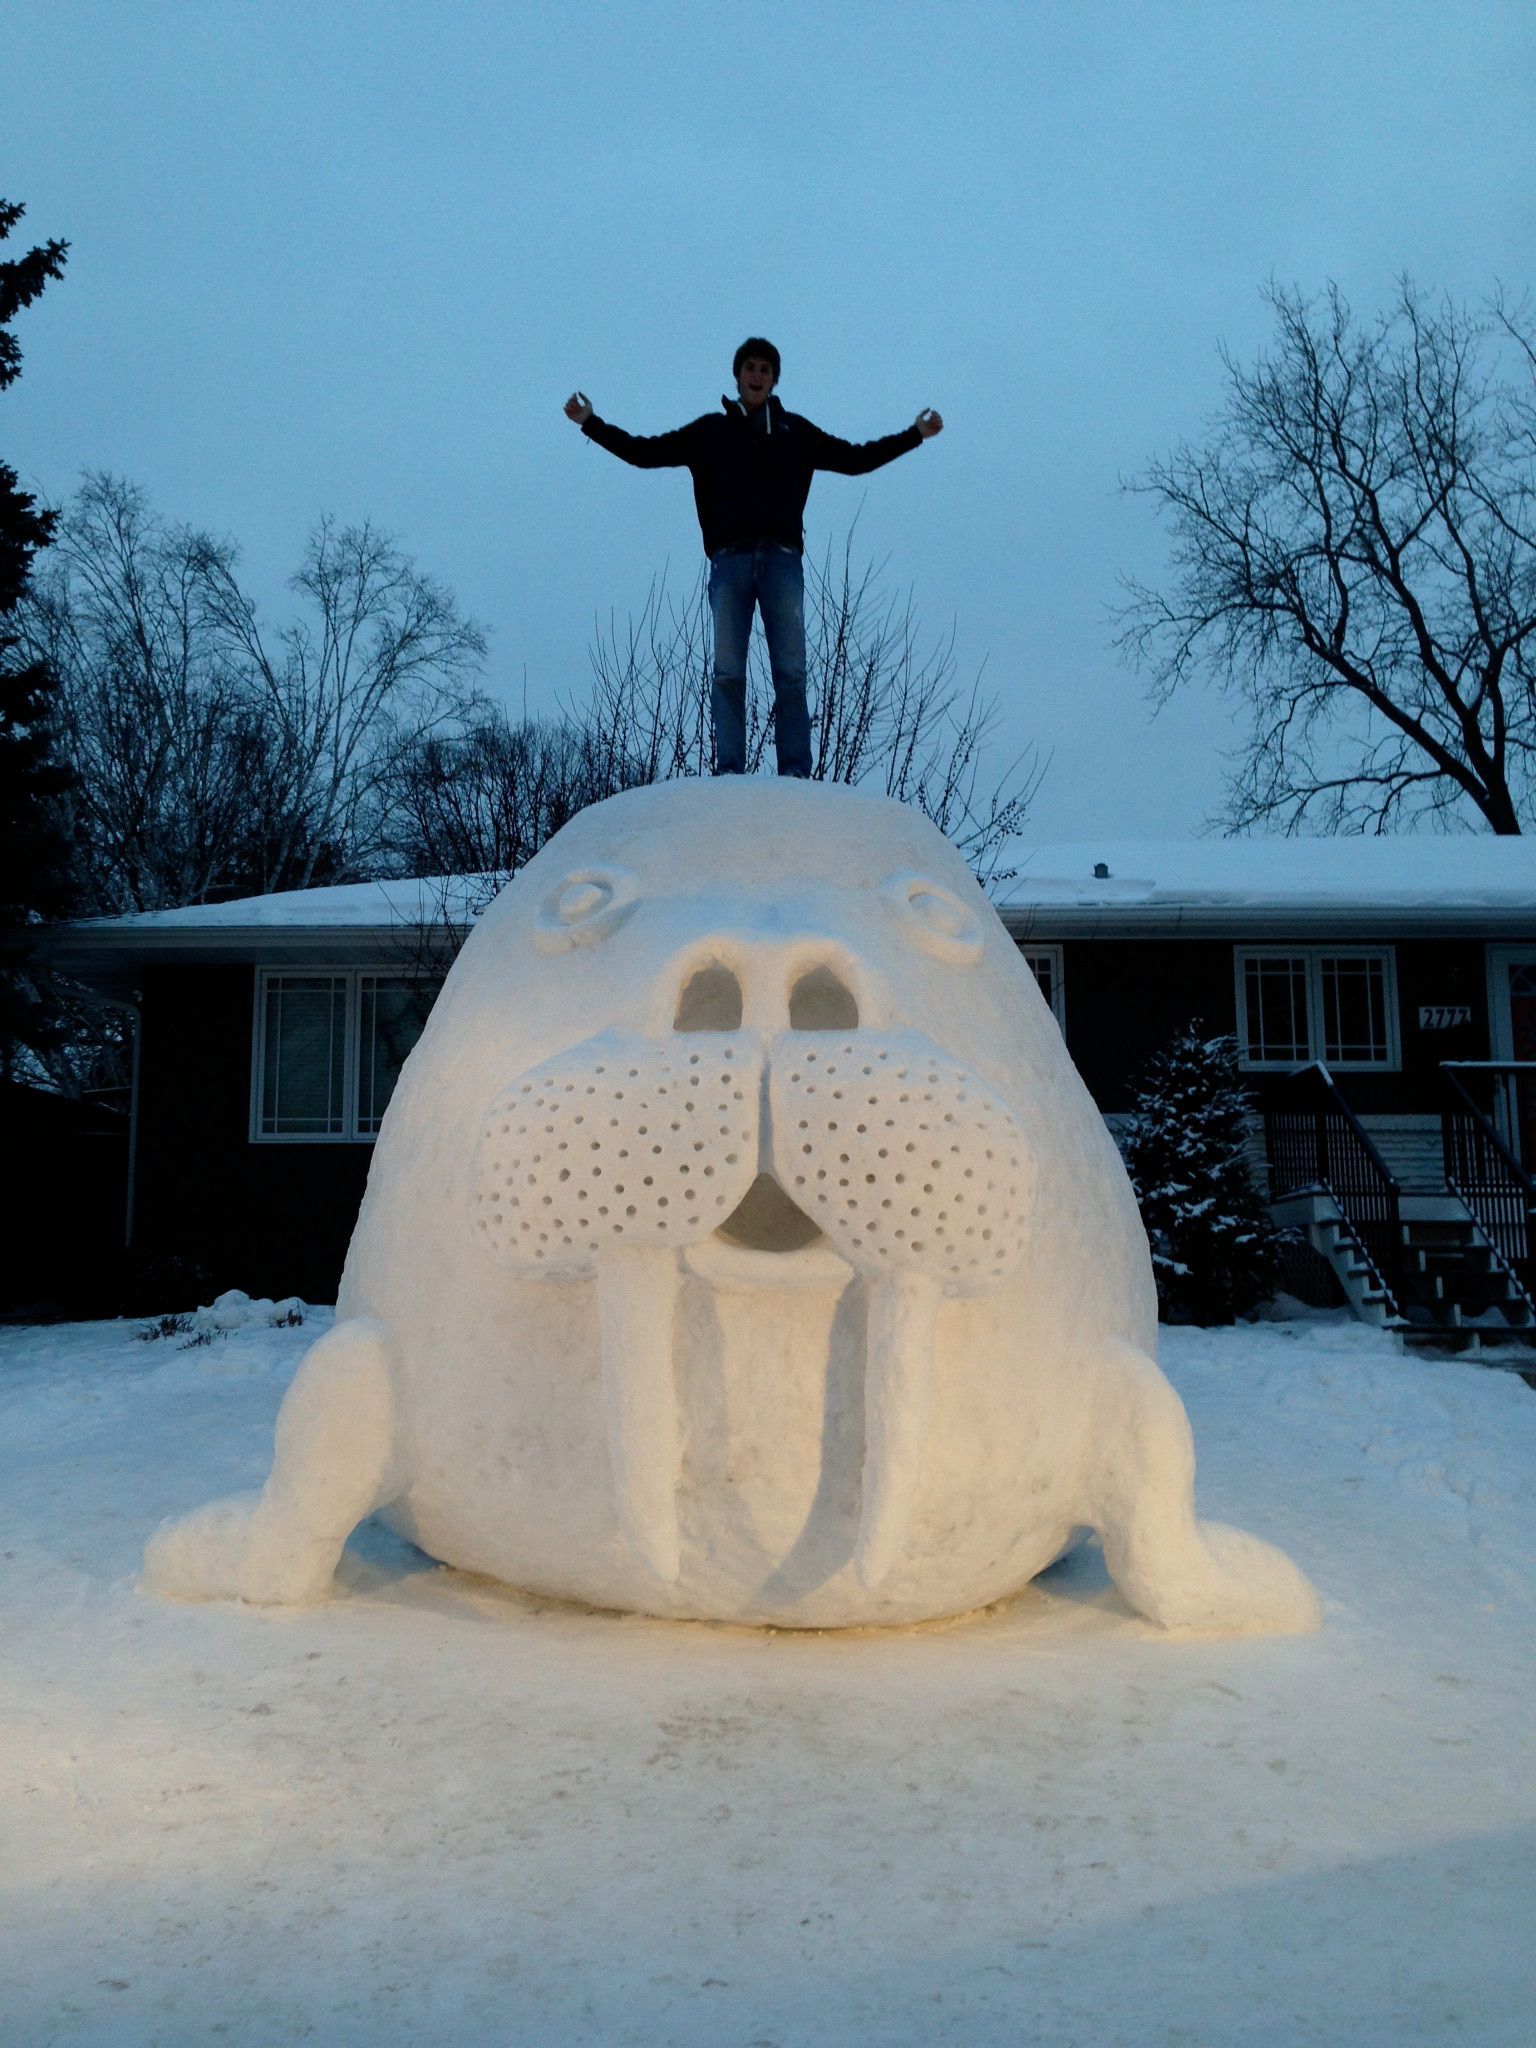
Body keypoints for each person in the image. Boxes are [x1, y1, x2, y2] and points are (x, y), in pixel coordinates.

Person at [565, 339, 943, 777]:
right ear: (737, 374)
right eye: (750, 367)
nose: (757, 375)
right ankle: (730, 772)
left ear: (775, 378)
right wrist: (590, 423)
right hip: (729, 562)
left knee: (791, 672)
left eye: (765, 368)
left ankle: (796, 773)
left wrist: (915, 434)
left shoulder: (796, 432)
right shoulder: (708, 432)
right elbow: (644, 453)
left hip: (783, 561)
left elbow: (857, 459)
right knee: (727, 673)